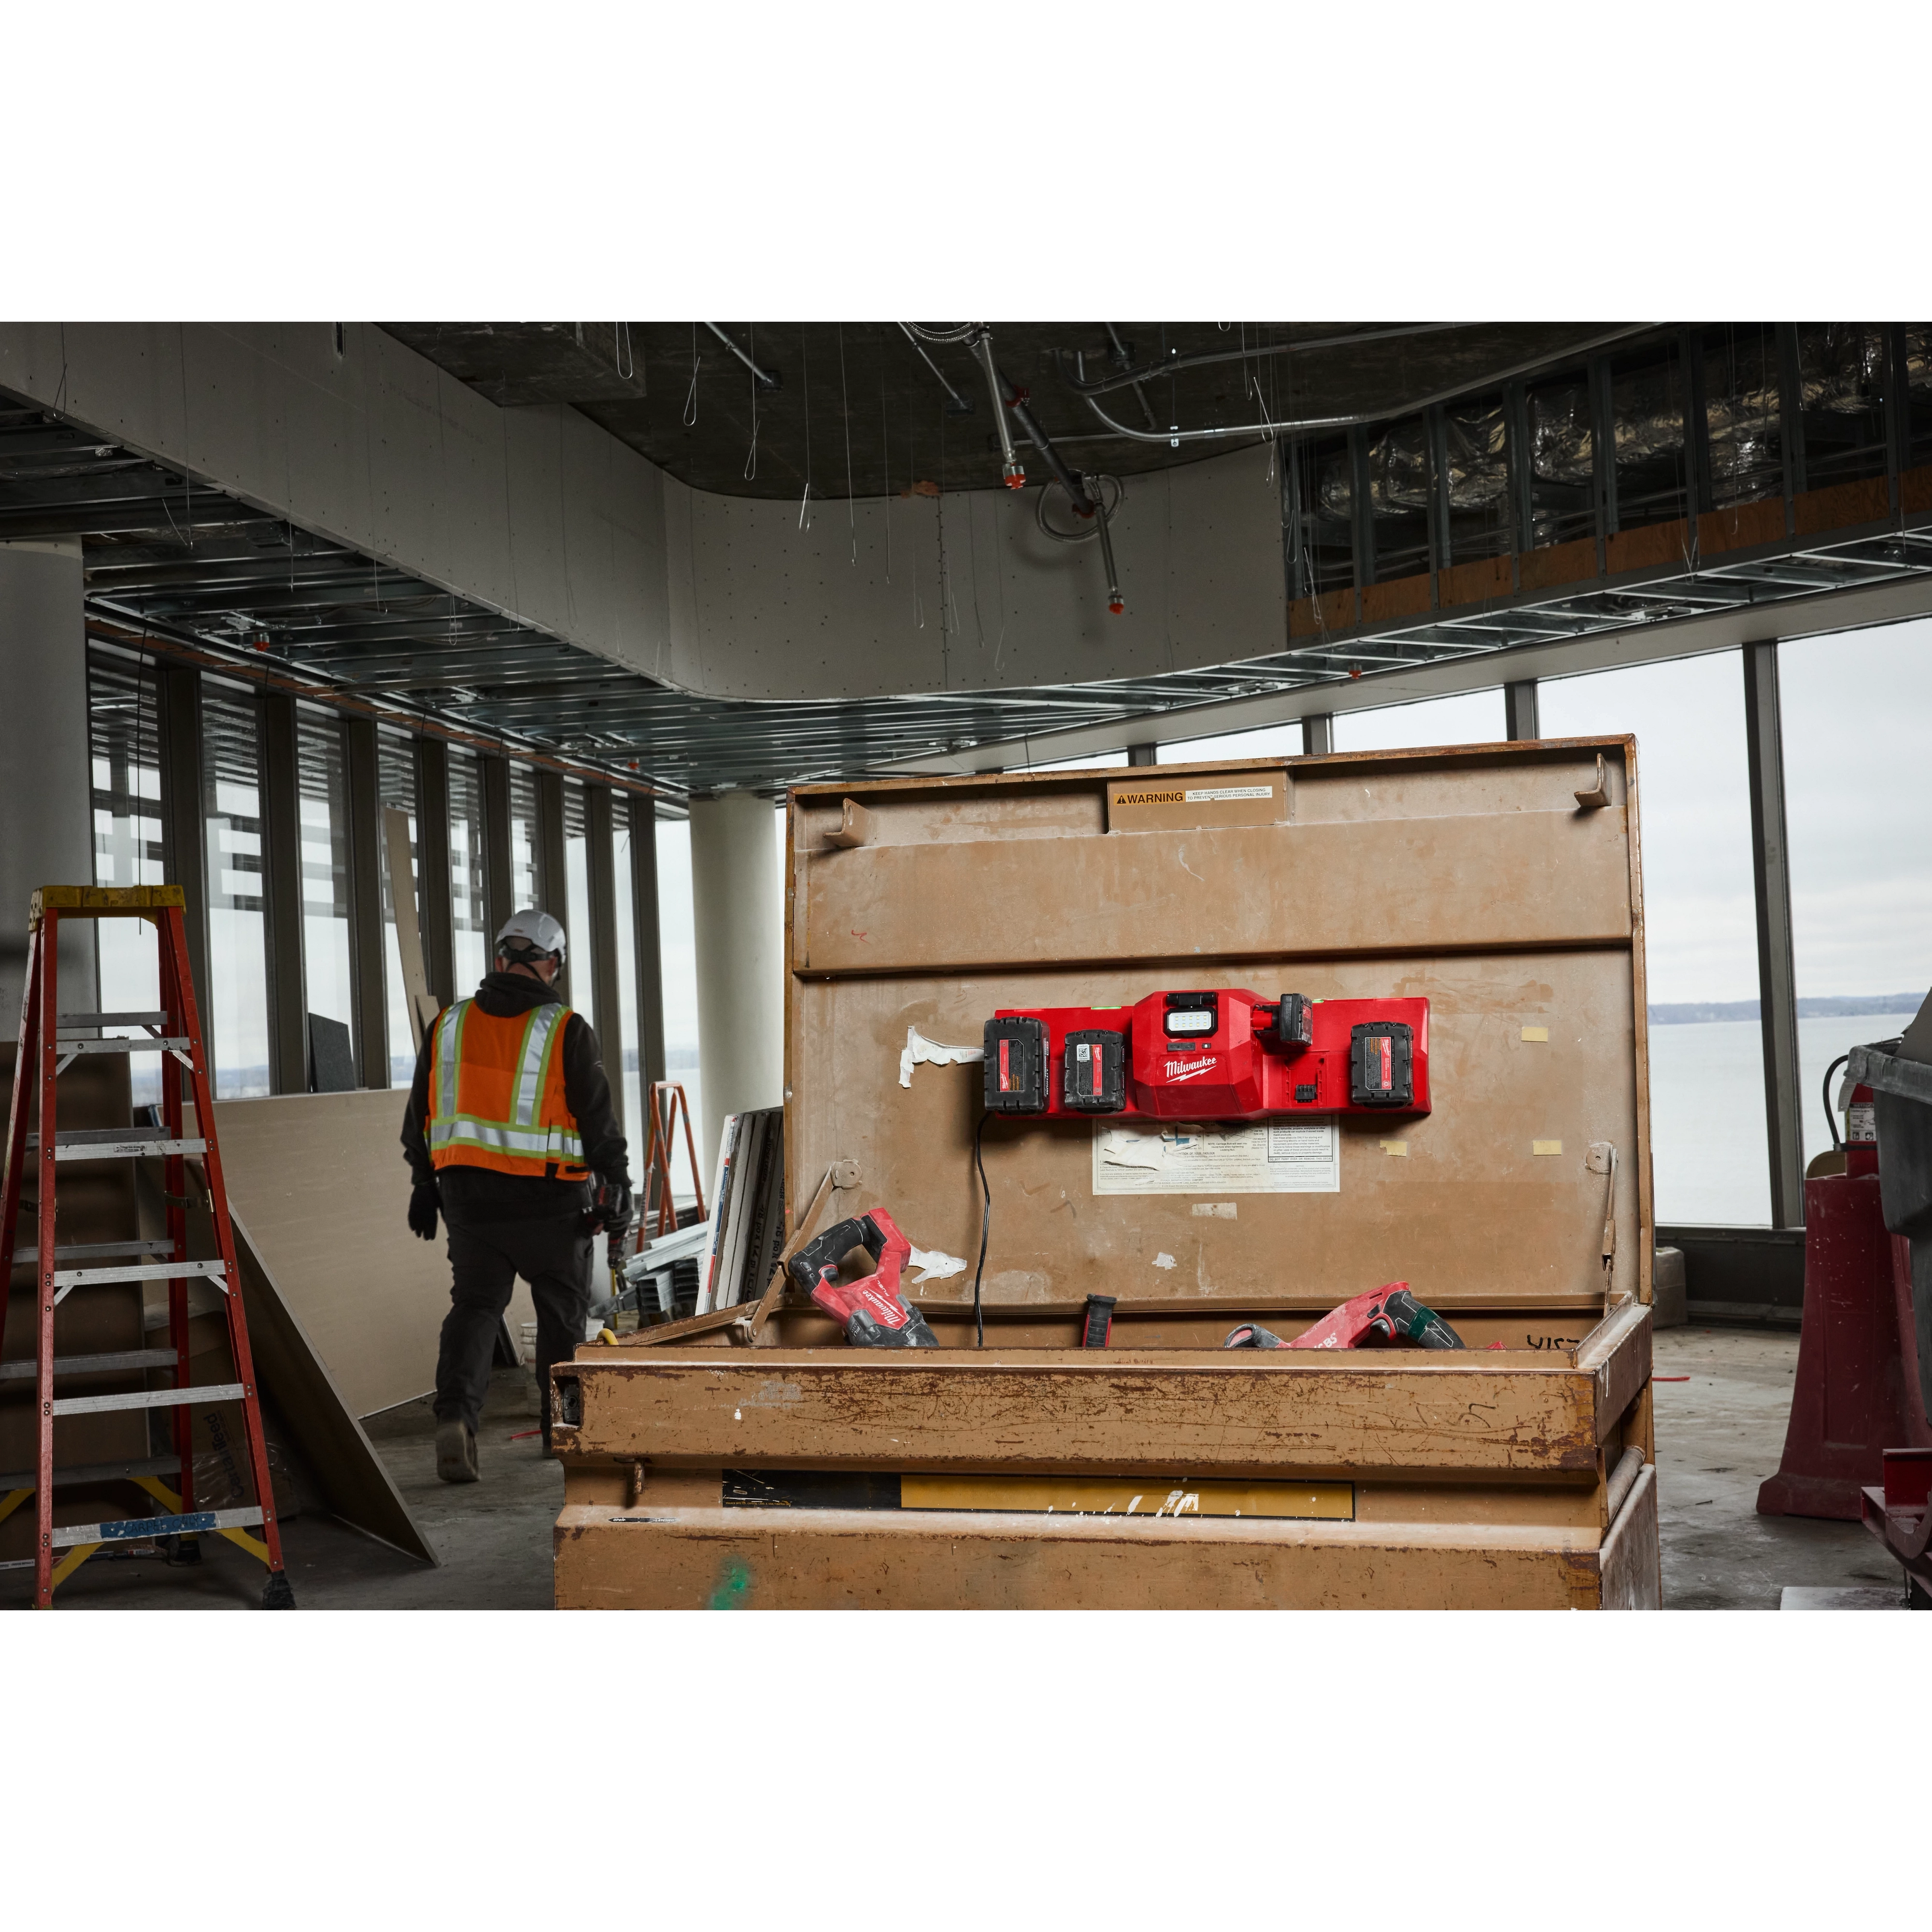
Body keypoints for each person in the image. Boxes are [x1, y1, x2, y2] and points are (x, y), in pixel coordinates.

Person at [400, 910, 632, 1482]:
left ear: (500, 958)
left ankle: (456, 1419)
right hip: (550, 1202)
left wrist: (423, 1182)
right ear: (552, 964)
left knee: (476, 1307)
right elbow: (596, 1119)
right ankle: (563, 1427)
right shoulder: (565, 1028)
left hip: (469, 1201)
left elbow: (419, 1115)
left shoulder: (449, 1024)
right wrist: (617, 1181)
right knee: (561, 1314)